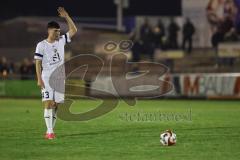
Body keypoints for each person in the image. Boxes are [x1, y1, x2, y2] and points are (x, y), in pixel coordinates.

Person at [34, 7, 77, 140]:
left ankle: (49, 131)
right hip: (46, 78)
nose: (58, 33)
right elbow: (38, 63)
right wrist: (39, 79)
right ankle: (50, 132)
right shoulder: (41, 45)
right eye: (56, 31)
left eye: (59, 31)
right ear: (49, 31)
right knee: (48, 103)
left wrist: (67, 16)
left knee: (56, 105)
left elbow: (74, 30)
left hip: (59, 78)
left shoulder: (61, 40)